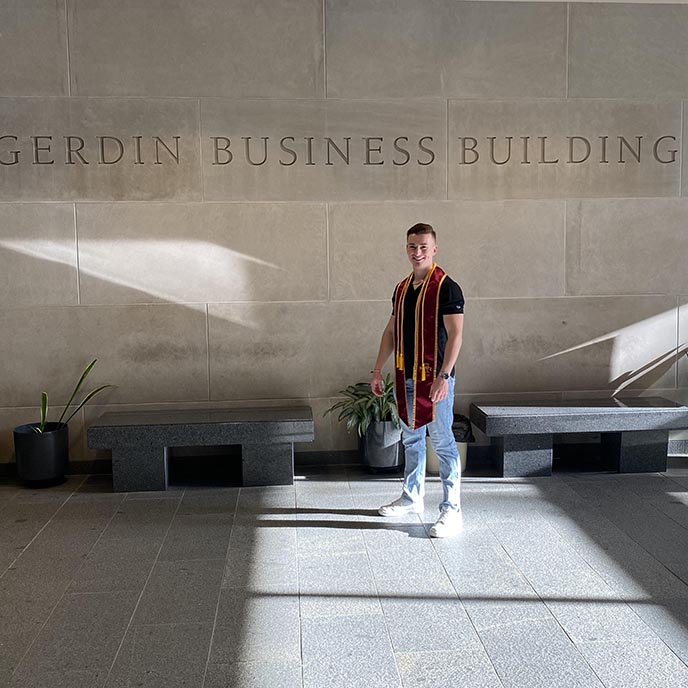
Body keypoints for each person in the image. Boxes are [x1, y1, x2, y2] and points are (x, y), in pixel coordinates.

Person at [371, 222, 465, 538]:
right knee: (411, 439)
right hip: (406, 378)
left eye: (423, 246)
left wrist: (444, 376)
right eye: (412, 246)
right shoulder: (401, 288)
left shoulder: (447, 288)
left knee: (442, 443)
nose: (417, 252)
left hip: (435, 381)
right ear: (406, 248)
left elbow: (456, 335)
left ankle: (452, 511)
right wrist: (376, 369)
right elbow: (390, 331)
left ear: (434, 248)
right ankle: (412, 498)